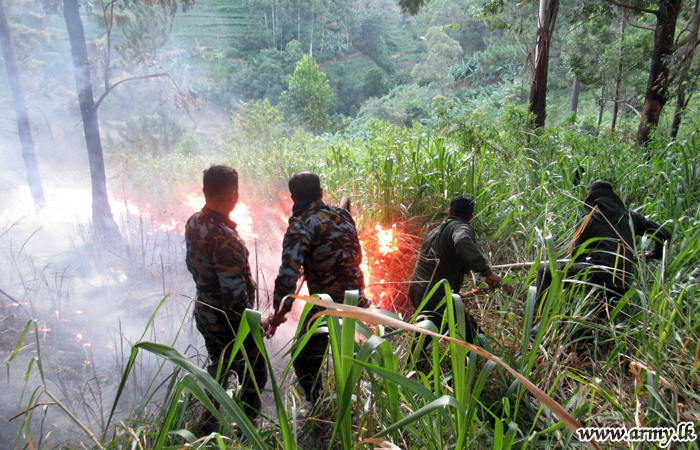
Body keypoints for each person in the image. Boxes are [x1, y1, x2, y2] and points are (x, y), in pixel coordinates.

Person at [264, 171, 365, 403]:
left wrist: (279, 313)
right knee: (340, 348)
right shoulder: (342, 215)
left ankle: (316, 403)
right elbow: (356, 253)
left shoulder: (300, 225)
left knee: (301, 356)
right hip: (357, 295)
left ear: (292, 198)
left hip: (328, 303)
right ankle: (347, 392)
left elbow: (288, 273)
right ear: (320, 193)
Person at [185, 165, 268, 433]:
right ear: (233, 194)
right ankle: (246, 429)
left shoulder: (194, 221)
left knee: (219, 367)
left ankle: (208, 423)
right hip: (228, 321)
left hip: (205, 313)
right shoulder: (226, 239)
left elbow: (191, 264)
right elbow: (233, 297)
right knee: (254, 374)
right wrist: (253, 325)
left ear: (204, 191)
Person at [533, 180, 672, 321]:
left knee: (544, 270)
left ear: (593, 198)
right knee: (597, 323)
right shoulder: (631, 217)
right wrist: (654, 254)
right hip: (622, 282)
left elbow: (577, 259)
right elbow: (664, 234)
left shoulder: (587, 221)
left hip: (597, 279)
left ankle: (541, 321)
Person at [408, 196, 502, 342]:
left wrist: (454, 293)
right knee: (473, 339)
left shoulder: (436, 232)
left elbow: (438, 267)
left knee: (427, 333)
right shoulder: (460, 228)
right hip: (435, 297)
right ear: (471, 216)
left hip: (417, 291)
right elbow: (462, 241)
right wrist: (487, 273)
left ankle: (411, 363)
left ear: (449, 212)